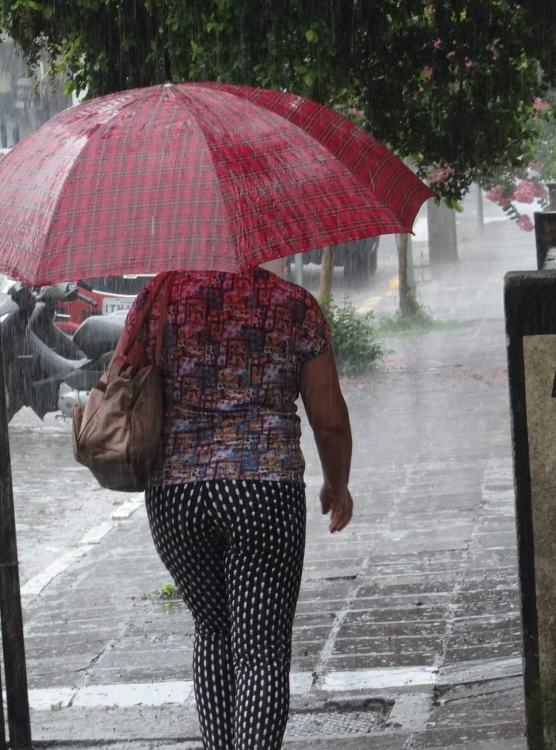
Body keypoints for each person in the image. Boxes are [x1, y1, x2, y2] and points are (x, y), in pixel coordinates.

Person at [125, 267, 354, 750]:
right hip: (263, 490)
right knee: (261, 653)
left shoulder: (159, 295)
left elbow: (129, 384)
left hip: (176, 492)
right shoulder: (293, 305)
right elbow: (329, 420)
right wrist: (338, 485)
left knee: (212, 628)